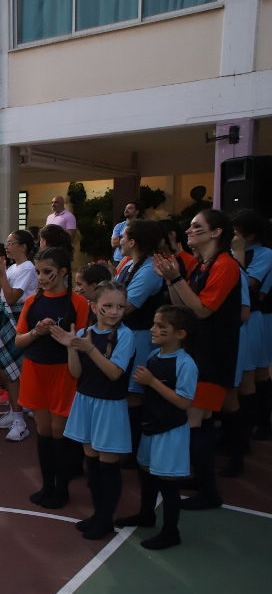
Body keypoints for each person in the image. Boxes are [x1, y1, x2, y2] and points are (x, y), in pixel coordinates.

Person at [153, 209, 240, 511]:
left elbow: (203, 310)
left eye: (196, 227)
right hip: (199, 351)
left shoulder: (225, 265)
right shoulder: (204, 264)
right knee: (198, 421)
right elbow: (186, 309)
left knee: (195, 420)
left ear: (216, 232)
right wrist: (170, 281)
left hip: (213, 354)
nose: (188, 231)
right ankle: (202, 481)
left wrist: (176, 277)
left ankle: (209, 491)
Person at [115, 305, 198, 550]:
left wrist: (151, 382)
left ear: (180, 334)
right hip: (150, 426)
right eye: (154, 324)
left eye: (161, 326)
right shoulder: (154, 356)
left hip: (169, 430)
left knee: (167, 482)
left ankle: (171, 532)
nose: (153, 329)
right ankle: (146, 514)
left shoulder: (185, 364)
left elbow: (184, 402)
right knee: (146, 471)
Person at [56, 281, 134, 539]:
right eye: (108, 306)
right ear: (93, 306)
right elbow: (76, 373)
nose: (114, 312)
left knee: (108, 465)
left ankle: (105, 519)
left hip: (109, 405)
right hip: (86, 401)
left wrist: (89, 348)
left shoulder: (125, 335)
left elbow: (114, 373)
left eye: (120, 306)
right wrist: (72, 347)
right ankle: (98, 514)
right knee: (92, 464)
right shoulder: (84, 333)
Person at [15, 246, 89, 510]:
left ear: (63, 271)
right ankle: (48, 485)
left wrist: (67, 339)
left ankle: (62, 488)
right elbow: (19, 341)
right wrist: (36, 332)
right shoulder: (31, 302)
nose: (42, 277)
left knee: (60, 432)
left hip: (63, 371)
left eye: (47, 272)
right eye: (38, 272)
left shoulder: (78, 303)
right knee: (43, 431)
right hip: (35, 369)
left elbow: (85, 342)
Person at [114, 219, 167, 466]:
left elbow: (127, 306)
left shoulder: (148, 270)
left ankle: (134, 451)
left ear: (133, 242)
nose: (119, 240)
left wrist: (98, 299)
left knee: (135, 395)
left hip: (142, 337)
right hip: (129, 335)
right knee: (126, 392)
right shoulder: (129, 263)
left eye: (123, 236)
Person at [0, 230, 39, 442]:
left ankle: (20, 419)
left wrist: (1, 274)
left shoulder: (27, 268)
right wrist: (0, 273)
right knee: (8, 368)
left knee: (15, 369)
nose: (6, 246)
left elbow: (12, 297)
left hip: (18, 319)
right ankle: (15, 412)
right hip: (6, 316)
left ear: (23, 246)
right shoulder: (14, 267)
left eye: (11, 243)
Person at [231, 211, 272, 444]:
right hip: (235, 318)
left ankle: (262, 423)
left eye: (237, 233)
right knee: (242, 373)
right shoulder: (230, 251)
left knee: (256, 372)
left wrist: (237, 254)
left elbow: (248, 284)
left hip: (255, 317)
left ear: (251, 235)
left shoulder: (264, 254)